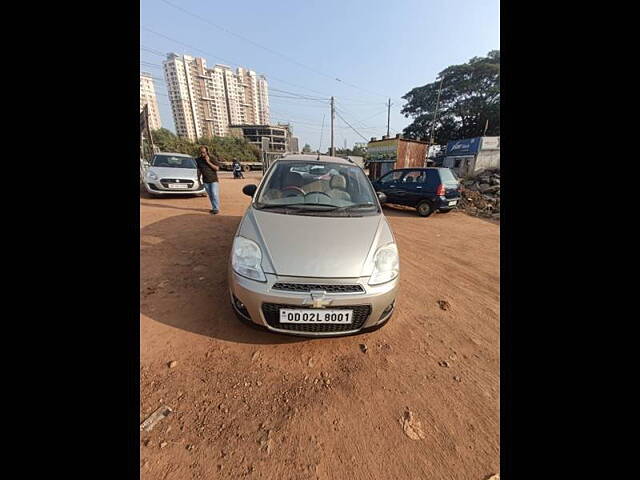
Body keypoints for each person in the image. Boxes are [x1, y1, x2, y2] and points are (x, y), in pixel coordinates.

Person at [195, 145, 222, 214]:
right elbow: (199, 170)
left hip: (213, 180)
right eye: (201, 152)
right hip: (205, 180)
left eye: (204, 152)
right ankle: (214, 207)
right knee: (210, 195)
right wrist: (198, 179)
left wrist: (208, 162)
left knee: (214, 194)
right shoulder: (198, 160)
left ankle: (216, 208)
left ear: (207, 152)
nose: (202, 154)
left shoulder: (212, 158)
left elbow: (217, 168)